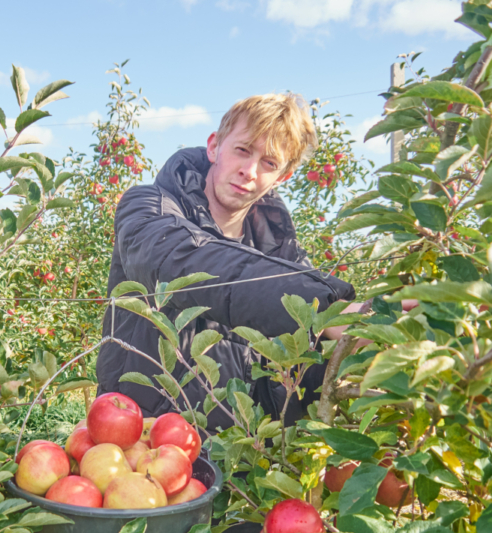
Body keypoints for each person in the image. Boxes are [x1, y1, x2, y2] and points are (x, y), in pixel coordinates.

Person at [96, 93, 356, 435]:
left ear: (283, 177)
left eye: (268, 162)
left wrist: (356, 359)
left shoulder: (283, 255)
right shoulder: (147, 207)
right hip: (143, 441)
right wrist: (324, 309)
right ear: (215, 147)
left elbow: (296, 368)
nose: (249, 171)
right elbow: (183, 259)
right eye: (243, 150)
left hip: (239, 460)